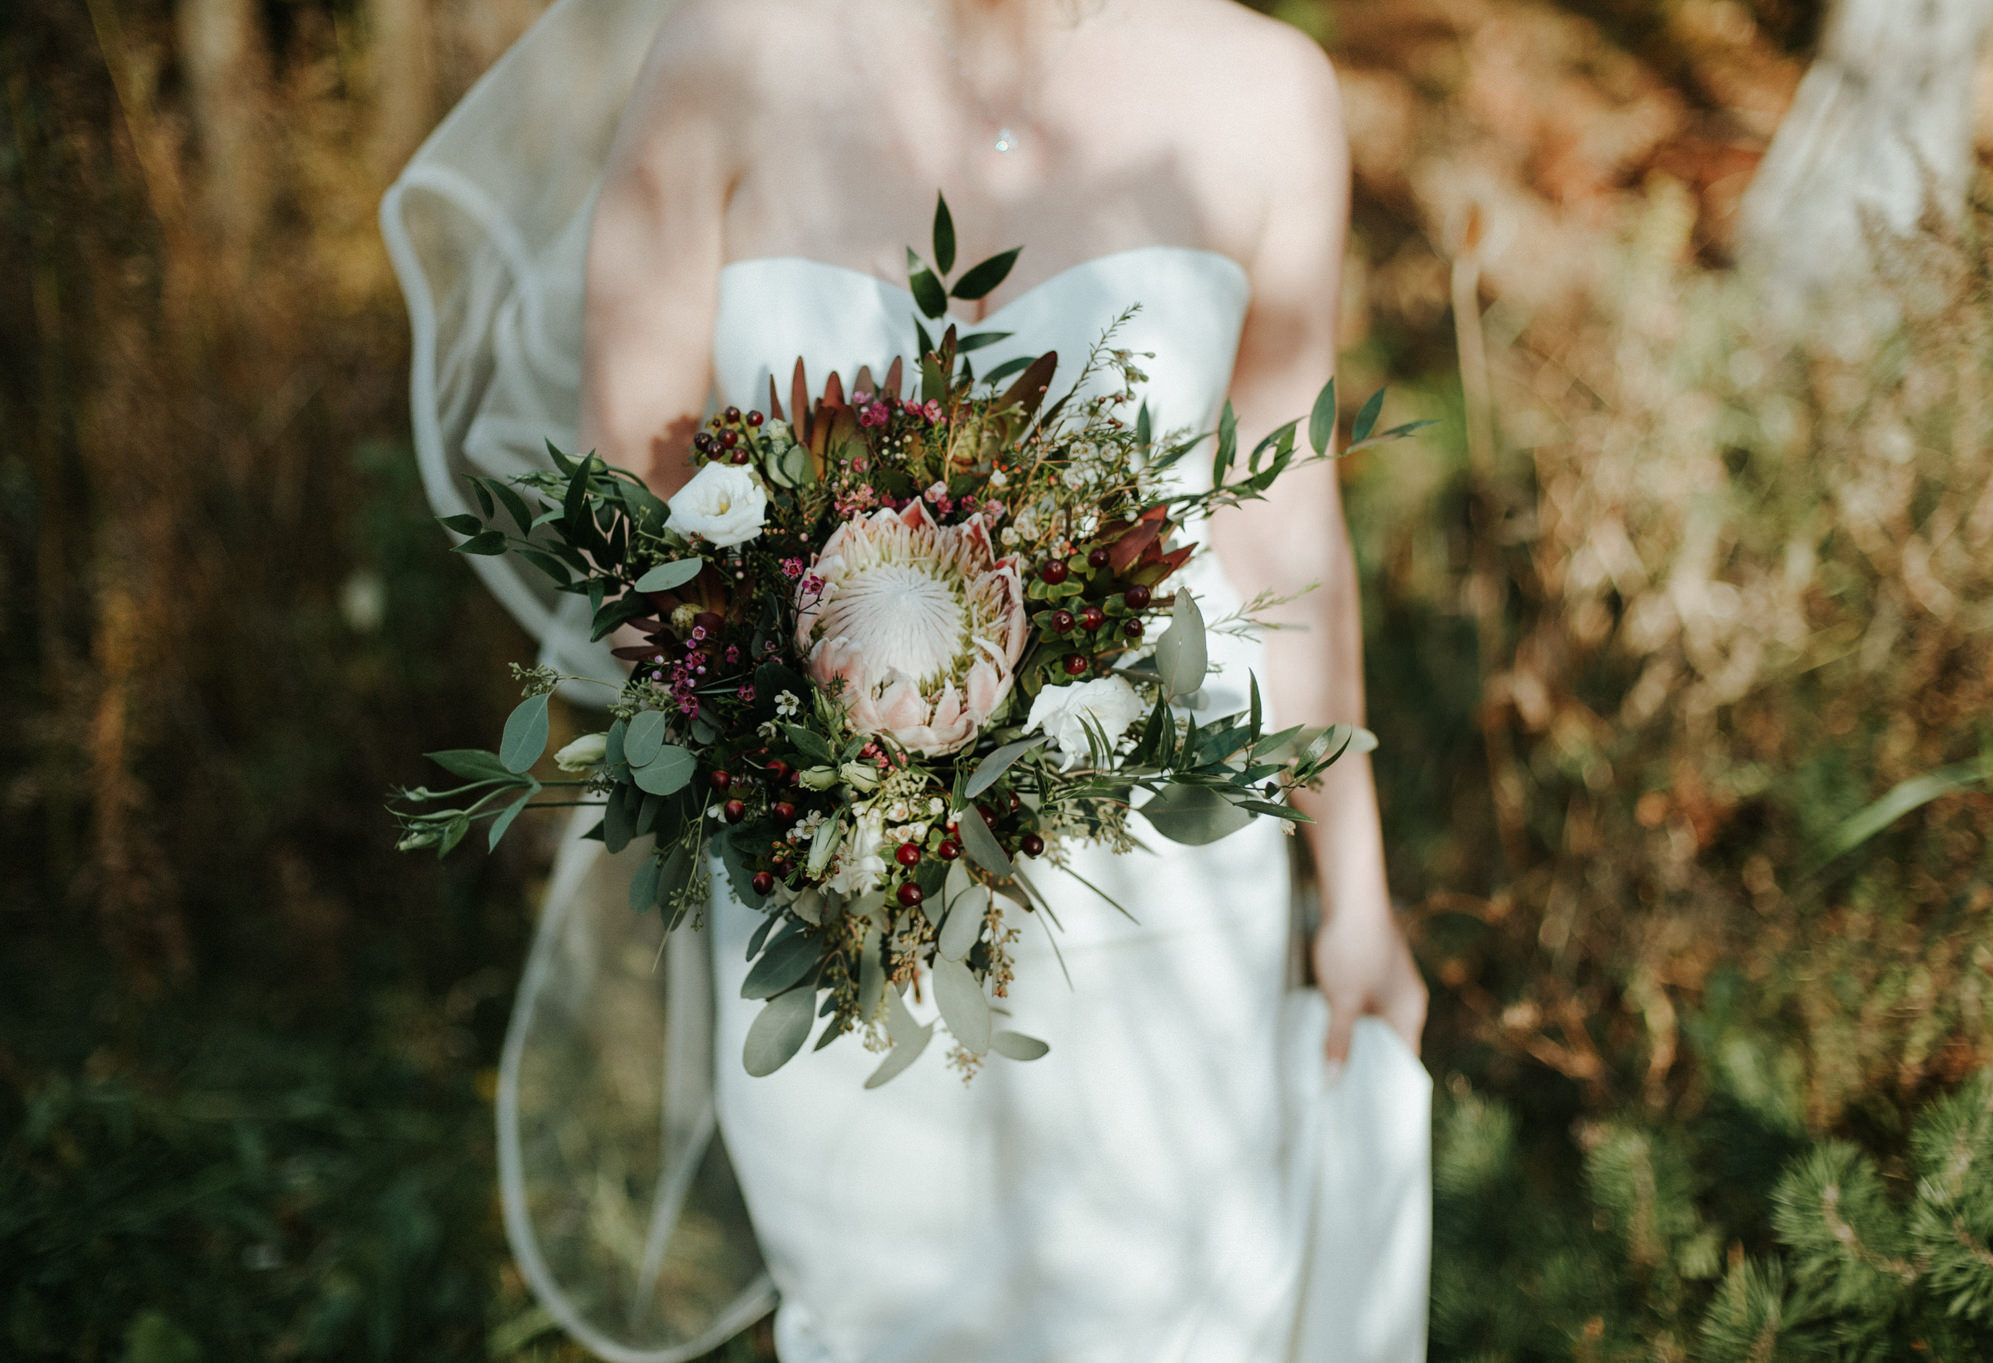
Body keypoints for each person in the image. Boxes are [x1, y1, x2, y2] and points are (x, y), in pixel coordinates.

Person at [384, 1, 1431, 1359]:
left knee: (1172, 1320)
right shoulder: (730, 54)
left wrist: (1358, 893)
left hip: (1167, 900)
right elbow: (628, 496)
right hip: (832, 896)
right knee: (880, 1316)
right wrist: (781, 761)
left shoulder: (1270, 91)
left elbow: (1286, 528)